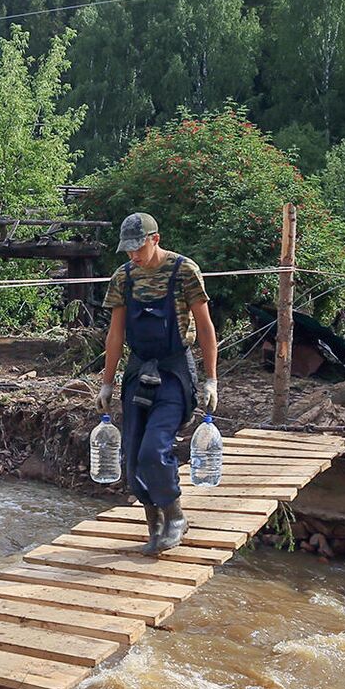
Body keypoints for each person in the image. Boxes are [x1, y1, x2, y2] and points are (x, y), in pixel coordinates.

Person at [95, 213, 218, 554]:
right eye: (128, 249)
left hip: (174, 372)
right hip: (137, 372)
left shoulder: (184, 271)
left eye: (138, 247)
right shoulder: (123, 277)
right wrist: (107, 384)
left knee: (153, 451)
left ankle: (175, 515)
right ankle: (155, 524)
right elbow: (116, 334)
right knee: (132, 460)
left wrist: (211, 380)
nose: (133, 255)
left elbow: (205, 328)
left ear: (155, 239)